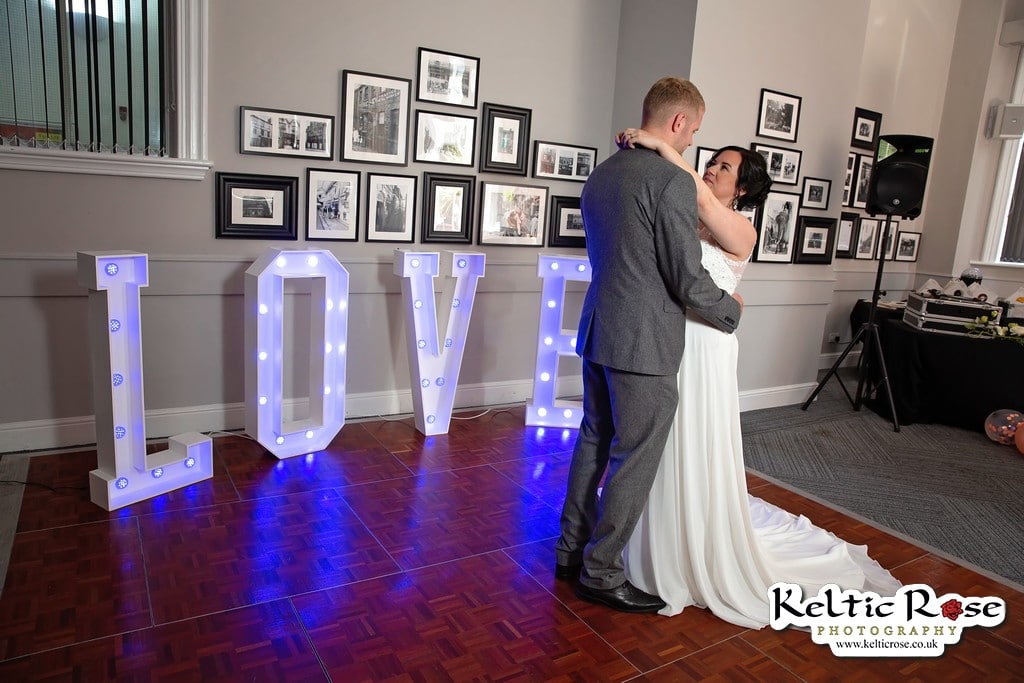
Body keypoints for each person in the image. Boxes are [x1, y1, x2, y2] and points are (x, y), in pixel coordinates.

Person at [616, 129, 901, 628]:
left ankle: (694, 543)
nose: (712, 170)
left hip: (706, 347)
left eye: (725, 168)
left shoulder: (741, 230)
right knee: (657, 441)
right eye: (713, 163)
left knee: (693, 437)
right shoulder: (689, 214)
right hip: (666, 340)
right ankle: (646, 534)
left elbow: (701, 203)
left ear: (742, 189)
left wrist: (664, 148)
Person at [555, 77, 743, 614]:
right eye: (694, 132)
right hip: (643, 341)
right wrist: (731, 311)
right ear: (679, 122)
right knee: (634, 457)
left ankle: (570, 552)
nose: (692, 145)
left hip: (598, 328)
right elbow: (685, 278)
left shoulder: (602, 174)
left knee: (593, 442)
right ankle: (601, 571)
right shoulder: (669, 180)